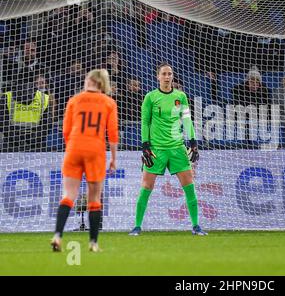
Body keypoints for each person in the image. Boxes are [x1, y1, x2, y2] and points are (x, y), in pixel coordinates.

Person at [129, 63, 207, 236]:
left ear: (172, 76)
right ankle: (136, 226)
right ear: (158, 76)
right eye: (163, 73)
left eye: (169, 73)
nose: (167, 76)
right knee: (146, 186)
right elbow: (145, 122)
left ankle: (196, 226)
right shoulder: (150, 97)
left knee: (189, 186)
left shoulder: (181, 96)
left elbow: (187, 120)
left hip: (177, 148)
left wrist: (193, 141)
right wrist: (145, 146)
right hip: (156, 149)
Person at [50, 69, 119, 252]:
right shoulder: (109, 102)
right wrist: (113, 158)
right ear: (103, 83)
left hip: (74, 148)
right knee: (94, 198)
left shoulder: (74, 100)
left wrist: (71, 148)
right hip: (95, 151)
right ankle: (93, 243)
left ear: (88, 81)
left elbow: (65, 130)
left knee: (68, 196)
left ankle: (57, 236)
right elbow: (112, 134)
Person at [0, 70, 52, 152]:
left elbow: (47, 122)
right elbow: (2, 121)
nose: (25, 87)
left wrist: (36, 138)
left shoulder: (44, 98)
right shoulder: (6, 97)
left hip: (29, 142)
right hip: (15, 142)